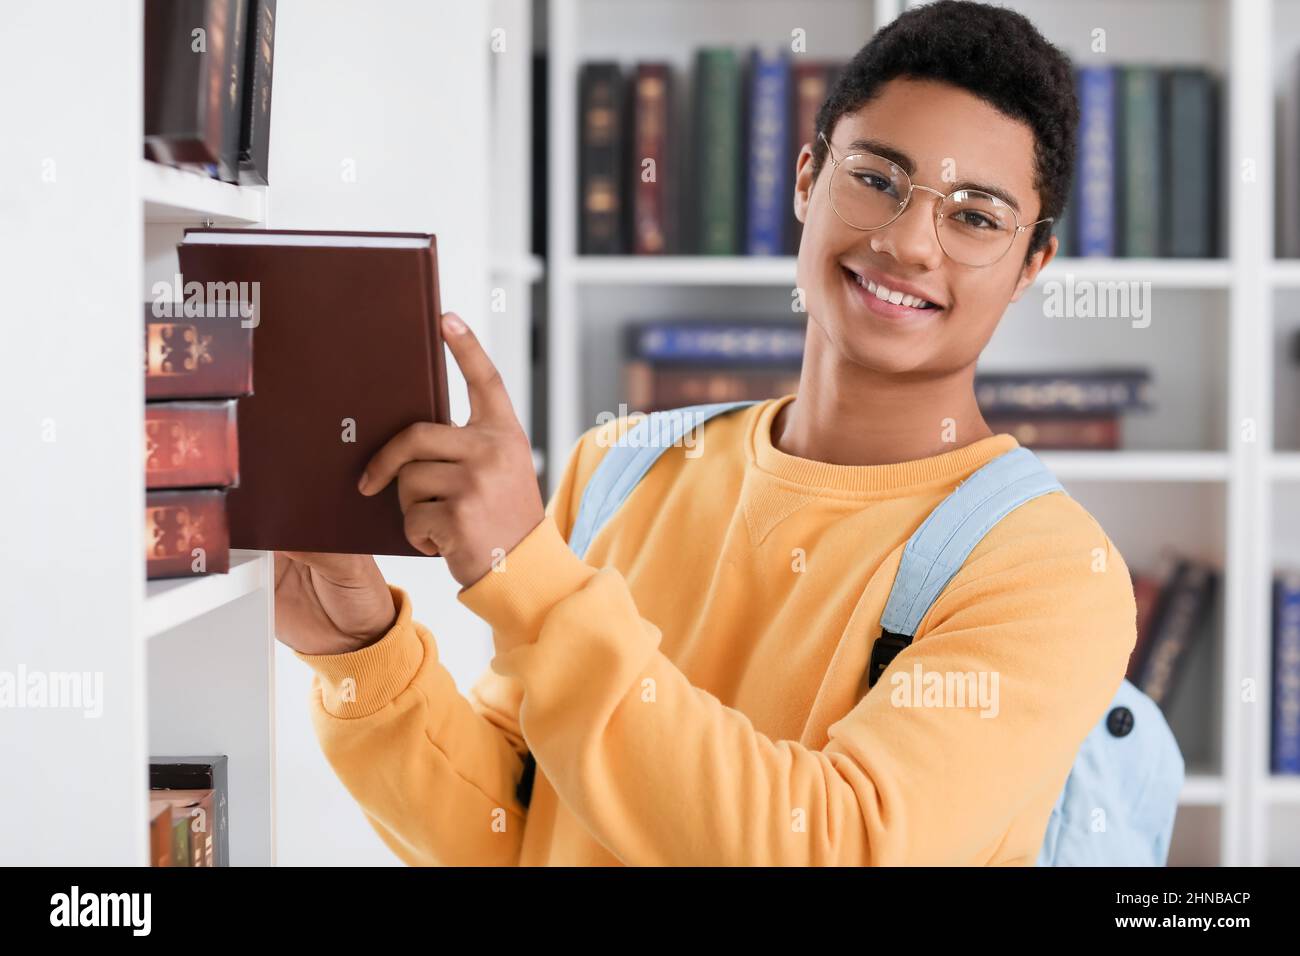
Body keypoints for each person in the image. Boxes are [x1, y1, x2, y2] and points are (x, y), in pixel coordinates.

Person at [274, 0, 1137, 865]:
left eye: (976, 217)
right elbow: (518, 828)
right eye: (876, 178)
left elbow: (830, 848)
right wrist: (360, 652)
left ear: (1032, 267)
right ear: (808, 180)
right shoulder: (620, 467)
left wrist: (528, 578)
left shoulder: (1051, 574)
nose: (910, 242)